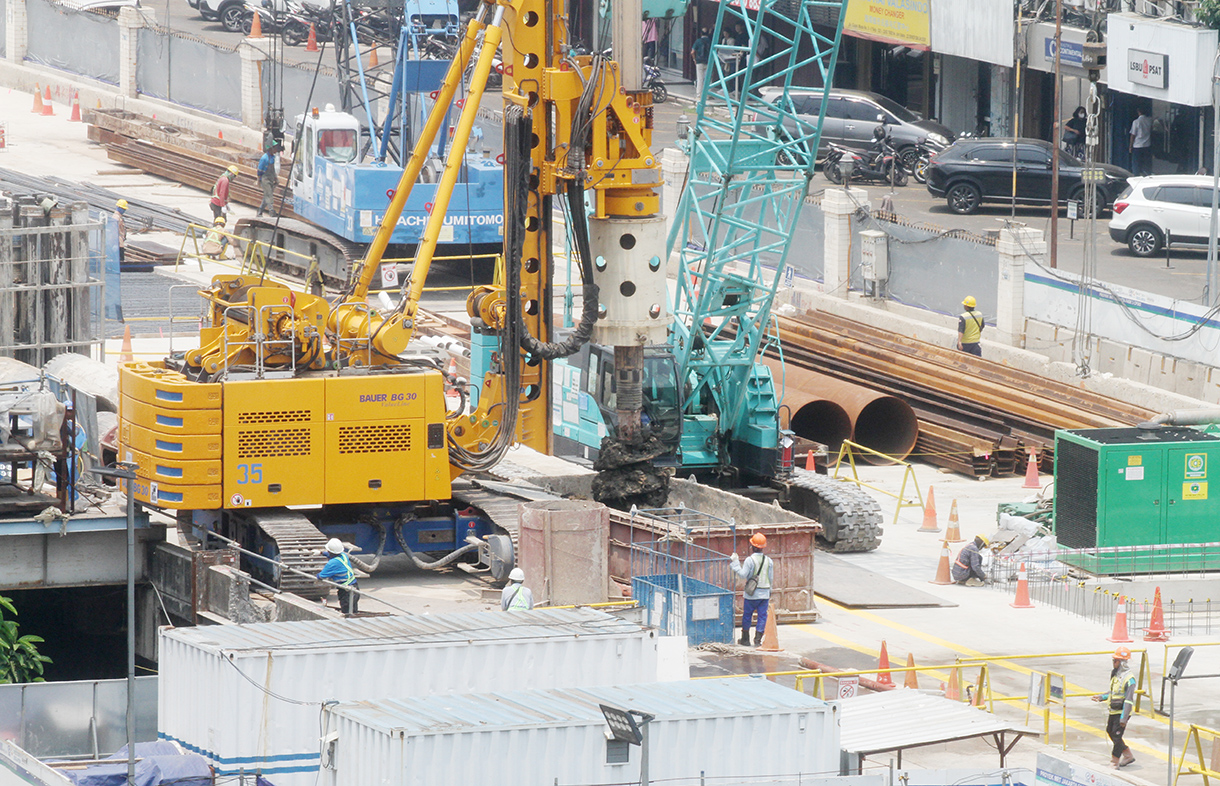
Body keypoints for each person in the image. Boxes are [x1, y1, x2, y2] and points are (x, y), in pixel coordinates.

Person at [1093, 647, 1137, 768]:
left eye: (1116, 661)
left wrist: (1124, 718)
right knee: (1110, 732)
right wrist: (1102, 697)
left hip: (1122, 712)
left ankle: (1114, 761)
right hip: (1113, 711)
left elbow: (1128, 699)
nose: (1113, 663)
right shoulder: (1116, 675)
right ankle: (1128, 755)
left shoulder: (1130, 679)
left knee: (1117, 736)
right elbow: (1113, 692)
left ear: (1122, 662)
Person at [730, 532, 773, 646]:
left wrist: (735, 563)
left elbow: (743, 575)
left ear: (752, 546)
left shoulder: (750, 560)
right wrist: (769, 592)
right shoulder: (769, 561)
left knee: (747, 615)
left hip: (751, 594)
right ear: (763, 547)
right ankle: (758, 641)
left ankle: (745, 639)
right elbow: (771, 578)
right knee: (762, 616)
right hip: (764, 594)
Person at [317, 538, 359, 615]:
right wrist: (321, 553)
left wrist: (317, 575)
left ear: (329, 551)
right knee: (353, 611)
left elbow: (321, 576)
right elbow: (332, 555)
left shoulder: (332, 563)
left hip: (346, 592)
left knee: (347, 613)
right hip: (354, 587)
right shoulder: (343, 555)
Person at [1129, 106, 1153, 177]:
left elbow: (1133, 135)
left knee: (1136, 163)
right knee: (1146, 162)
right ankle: (1147, 175)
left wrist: (1130, 146)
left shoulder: (1136, 122)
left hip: (1137, 145)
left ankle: (1136, 175)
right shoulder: (1149, 120)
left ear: (1138, 112)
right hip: (1147, 145)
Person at [690, 28, 711, 102]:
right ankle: (707, 95)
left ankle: (699, 95)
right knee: (708, 79)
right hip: (708, 62)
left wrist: (694, 59)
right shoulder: (710, 41)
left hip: (699, 62)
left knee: (700, 79)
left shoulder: (698, 41)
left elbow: (692, 52)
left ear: (701, 33)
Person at [256, 149, 277, 217]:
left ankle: (260, 211)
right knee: (269, 194)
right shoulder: (264, 158)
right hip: (265, 178)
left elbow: (273, 169)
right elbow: (259, 170)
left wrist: (275, 178)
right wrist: (259, 179)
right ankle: (271, 211)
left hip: (271, 178)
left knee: (267, 196)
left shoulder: (272, 157)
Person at [113, 199, 128, 265]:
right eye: (123, 209)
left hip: (120, 239)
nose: (124, 211)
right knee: (120, 255)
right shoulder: (116, 218)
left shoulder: (119, 217)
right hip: (118, 239)